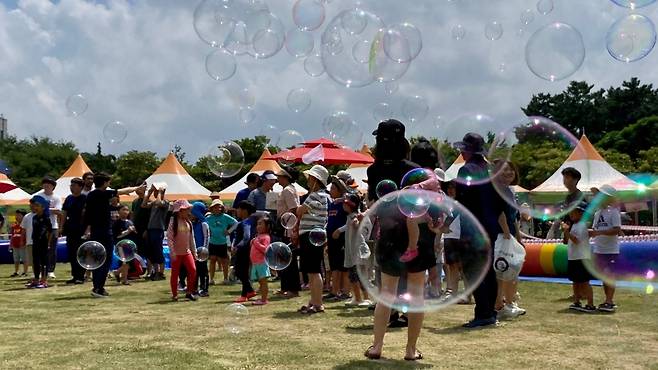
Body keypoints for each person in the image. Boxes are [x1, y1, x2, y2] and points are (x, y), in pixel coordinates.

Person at [364, 120, 424, 361]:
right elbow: (423, 204)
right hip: (417, 235)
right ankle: (410, 350)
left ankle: (377, 346)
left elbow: (372, 205)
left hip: (388, 234)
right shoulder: (413, 168)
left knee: (386, 293)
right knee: (416, 293)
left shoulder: (374, 170)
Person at [454, 133, 505, 328]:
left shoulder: (465, 170)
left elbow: (461, 202)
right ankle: (490, 311)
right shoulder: (491, 170)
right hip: (490, 226)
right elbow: (502, 202)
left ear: (467, 150)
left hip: (472, 227)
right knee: (488, 270)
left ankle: (483, 313)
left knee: (475, 270)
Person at [83, 172, 144, 298]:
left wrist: (87, 229)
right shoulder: (102, 193)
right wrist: (136, 188)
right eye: (108, 182)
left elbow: (87, 214)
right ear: (104, 182)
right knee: (106, 259)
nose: (109, 184)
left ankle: (97, 286)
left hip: (95, 231)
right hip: (104, 231)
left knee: (97, 259)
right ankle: (99, 288)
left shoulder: (90, 195)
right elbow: (121, 191)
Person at [492, 160, 526, 320]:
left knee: (512, 270)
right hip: (502, 235)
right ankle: (500, 304)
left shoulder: (509, 190)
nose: (509, 173)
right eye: (504, 170)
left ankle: (509, 302)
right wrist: (506, 232)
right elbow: (500, 213)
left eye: (511, 169)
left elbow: (514, 217)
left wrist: (517, 237)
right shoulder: (499, 190)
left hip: (510, 234)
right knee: (503, 269)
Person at [296, 164, 330, 315]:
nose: (308, 180)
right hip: (315, 235)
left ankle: (317, 303)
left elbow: (299, 211)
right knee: (313, 271)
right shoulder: (323, 195)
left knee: (313, 271)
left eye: (310, 177)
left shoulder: (315, 195)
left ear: (316, 179)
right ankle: (314, 301)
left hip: (310, 235)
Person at [589, 184, 621, 313]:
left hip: (611, 249)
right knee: (603, 276)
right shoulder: (597, 213)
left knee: (610, 275)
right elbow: (596, 229)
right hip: (599, 249)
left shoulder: (613, 212)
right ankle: (608, 300)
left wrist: (598, 233)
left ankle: (609, 300)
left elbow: (616, 230)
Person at [338, 193, 372, 307]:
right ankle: (359, 298)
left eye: (346, 203)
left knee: (358, 276)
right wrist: (339, 231)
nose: (344, 205)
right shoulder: (350, 217)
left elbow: (364, 230)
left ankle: (363, 298)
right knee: (354, 275)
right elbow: (347, 228)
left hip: (357, 251)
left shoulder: (356, 217)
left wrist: (358, 225)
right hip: (352, 251)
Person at [562, 202, 596, 313]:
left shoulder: (582, 226)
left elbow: (577, 241)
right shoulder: (574, 225)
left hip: (582, 258)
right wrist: (565, 232)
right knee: (575, 281)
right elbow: (567, 242)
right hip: (573, 257)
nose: (571, 214)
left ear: (581, 214)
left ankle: (590, 303)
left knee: (584, 281)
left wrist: (567, 231)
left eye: (574, 212)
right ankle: (577, 301)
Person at [275, 165, 301, 298]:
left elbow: (293, 209)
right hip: (286, 226)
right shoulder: (288, 190)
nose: (277, 179)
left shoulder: (288, 191)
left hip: (288, 227)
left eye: (279, 176)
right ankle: (285, 286)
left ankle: (293, 288)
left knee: (289, 260)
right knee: (284, 259)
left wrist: (290, 227)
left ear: (285, 177)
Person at [166, 200, 198, 301]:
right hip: (176, 253)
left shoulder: (188, 222)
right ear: (179, 211)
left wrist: (194, 252)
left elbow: (191, 238)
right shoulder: (173, 222)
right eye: (186, 209)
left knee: (192, 270)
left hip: (186, 251)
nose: (188, 212)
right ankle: (175, 294)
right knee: (175, 274)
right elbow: (170, 238)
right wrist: (172, 252)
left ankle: (189, 291)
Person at [325, 175, 350, 301]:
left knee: (343, 266)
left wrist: (339, 231)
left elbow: (350, 221)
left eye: (334, 189)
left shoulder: (344, 204)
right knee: (334, 265)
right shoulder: (332, 204)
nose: (331, 191)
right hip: (331, 238)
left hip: (342, 238)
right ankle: (334, 291)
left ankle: (345, 291)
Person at [34, 176, 62, 279]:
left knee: (52, 249)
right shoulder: (38, 196)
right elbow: (34, 209)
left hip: (53, 226)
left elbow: (58, 211)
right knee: (39, 249)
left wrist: (44, 208)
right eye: (45, 184)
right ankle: (40, 270)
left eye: (49, 184)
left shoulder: (56, 197)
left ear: (53, 187)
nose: (46, 186)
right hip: (39, 226)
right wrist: (48, 209)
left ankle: (50, 270)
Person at [61, 177, 87, 284]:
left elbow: (87, 214)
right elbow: (64, 213)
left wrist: (88, 229)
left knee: (81, 252)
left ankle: (81, 276)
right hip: (70, 228)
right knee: (71, 253)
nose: (72, 188)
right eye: (71, 185)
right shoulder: (69, 198)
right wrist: (61, 226)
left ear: (80, 187)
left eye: (74, 185)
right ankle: (75, 275)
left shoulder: (85, 198)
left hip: (81, 229)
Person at [142, 184, 170, 281]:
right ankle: (155, 271)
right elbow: (143, 205)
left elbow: (159, 202)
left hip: (158, 229)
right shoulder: (154, 203)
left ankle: (161, 272)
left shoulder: (165, 202)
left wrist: (160, 192)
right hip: (151, 229)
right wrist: (149, 193)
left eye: (156, 192)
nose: (155, 193)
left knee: (158, 250)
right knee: (152, 251)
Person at [206, 199, 238, 285]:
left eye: (219, 207)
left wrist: (229, 231)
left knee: (224, 261)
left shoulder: (225, 217)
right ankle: (211, 279)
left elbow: (236, 223)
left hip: (222, 243)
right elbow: (204, 226)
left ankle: (225, 278)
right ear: (212, 208)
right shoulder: (208, 218)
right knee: (212, 260)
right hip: (212, 242)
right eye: (215, 207)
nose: (218, 209)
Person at [232, 200, 258, 303]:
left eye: (238, 209)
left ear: (244, 210)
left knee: (239, 271)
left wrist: (237, 247)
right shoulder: (251, 221)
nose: (237, 211)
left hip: (243, 250)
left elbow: (246, 236)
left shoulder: (245, 222)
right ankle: (245, 295)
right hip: (249, 249)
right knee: (243, 272)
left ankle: (250, 290)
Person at [27, 195, 52, 289]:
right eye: (34, 205)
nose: (35, 207)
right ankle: (36, 279)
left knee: (44, 262)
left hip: (44, 243)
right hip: (35, 242)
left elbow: (50, 231)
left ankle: (44, 280)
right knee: (36, 261)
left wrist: (48, 243)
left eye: (37, 205)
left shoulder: (46, 218)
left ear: (43, 207)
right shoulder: (34, 218)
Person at [250, 216, 272, 305]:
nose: (258, 226)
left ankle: (264, 300)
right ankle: (262, 298)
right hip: (256, 263)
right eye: (257, 224)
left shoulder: (266, 237)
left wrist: (256, 242)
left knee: (263, 282)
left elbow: (265, 249)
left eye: (260, 224)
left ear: (267, 227)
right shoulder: (259, 236)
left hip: (261, 262)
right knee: (260, 281)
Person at [113, 205, 137, 286]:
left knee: (129, 263)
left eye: (127, 210)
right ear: (119, 211)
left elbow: (134, 233)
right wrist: (127, 231)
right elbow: (117, 236)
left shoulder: (130, 222)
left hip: (129, 245)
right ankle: (124, 280)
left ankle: (117, 272)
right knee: (125, 262)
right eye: (123, 209)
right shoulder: (117, 223)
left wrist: (133, 231)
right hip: (121, 245)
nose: (126, 211)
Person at [190, 202, 210, 297]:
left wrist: (204, 249)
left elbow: (207, 237)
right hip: (194, 251)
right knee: (195, 271)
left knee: (203, 271)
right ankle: (194, 288)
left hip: (202, 252)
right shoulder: (192, 224)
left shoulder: (204, 224)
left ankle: (204, 288)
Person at [131, 181, 150, 275]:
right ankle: (138, 269)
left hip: (145, 230)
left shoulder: (149, 201)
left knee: (147, 250)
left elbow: (151, 217)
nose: (137, 190)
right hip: (135, 229)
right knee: (136, 250)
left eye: (140, 187)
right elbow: (133, 215)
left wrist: (147, 230)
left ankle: (150, 271)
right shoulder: (135, 202)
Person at [9, 210, 28, 277]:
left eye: (19, 215)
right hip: (15, 245)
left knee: (24, 259)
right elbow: (12, 236)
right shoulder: (14, 226)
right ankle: (16, 271)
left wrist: (24, 243)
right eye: (16, 215)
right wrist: (10, 244)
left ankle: (25, 272)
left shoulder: (25, 226)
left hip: (23, 245)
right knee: (16, 259)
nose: (16, 217)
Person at [21, 204, 35, 277]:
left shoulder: (41, 215)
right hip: (30, 241)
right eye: (31, 205)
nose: (32, 207)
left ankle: (43, 274)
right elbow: (23, 229)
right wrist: (22, 240)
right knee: (32, 260)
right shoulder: (27, 216)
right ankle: (35, 273)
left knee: (40, 259)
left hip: (40, 241)